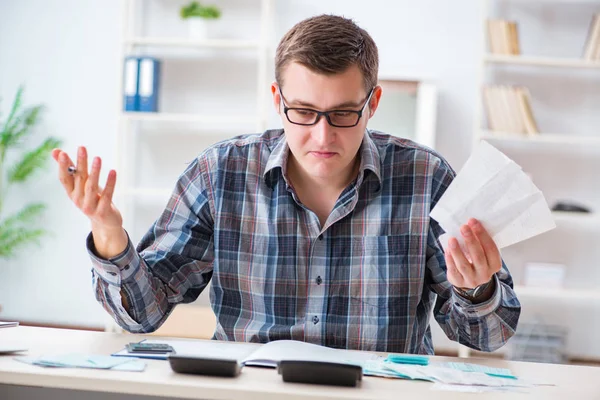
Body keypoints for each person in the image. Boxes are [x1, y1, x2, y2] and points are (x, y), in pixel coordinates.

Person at [52, 14, 520, 354]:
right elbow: (142, 315)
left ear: (373, 102)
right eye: (303, 111)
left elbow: (488, 336)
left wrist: (477, 292)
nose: (322, 135)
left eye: (342, 113)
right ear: (277, 100)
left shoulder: (427, 178)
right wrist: (110, 236)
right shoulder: (219, 175)